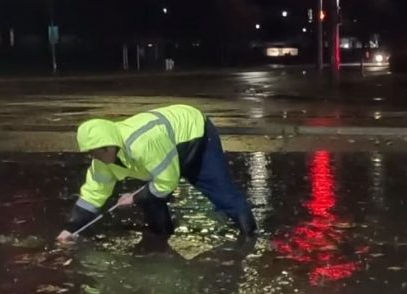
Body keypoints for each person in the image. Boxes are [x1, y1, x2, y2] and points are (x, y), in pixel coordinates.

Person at [56, 104, 257, 243]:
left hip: (195, 136)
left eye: (96, 152)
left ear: (110, 146)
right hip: (164, 151)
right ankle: (161, 240)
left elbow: (167, 182)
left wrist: (134, 198)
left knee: (220, 191)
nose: (94, 158)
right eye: (90, 153)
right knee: (149, 198)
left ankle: (250, 237)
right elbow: (93, 195)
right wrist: (70, 229)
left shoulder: (143, 144)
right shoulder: (102, 161)